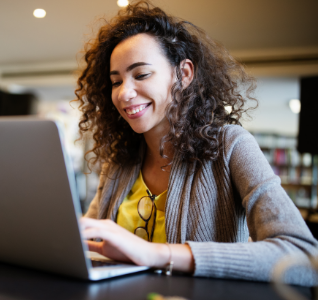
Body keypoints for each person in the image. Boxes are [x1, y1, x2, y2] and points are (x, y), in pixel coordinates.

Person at [76, 1, 318, 286]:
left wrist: (154, 253)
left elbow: (304, 258)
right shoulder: (119, 161)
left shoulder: (231, 145)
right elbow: (87, 239)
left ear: (184, 74)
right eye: (116, 81)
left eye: (141, 74)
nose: (124, 93)